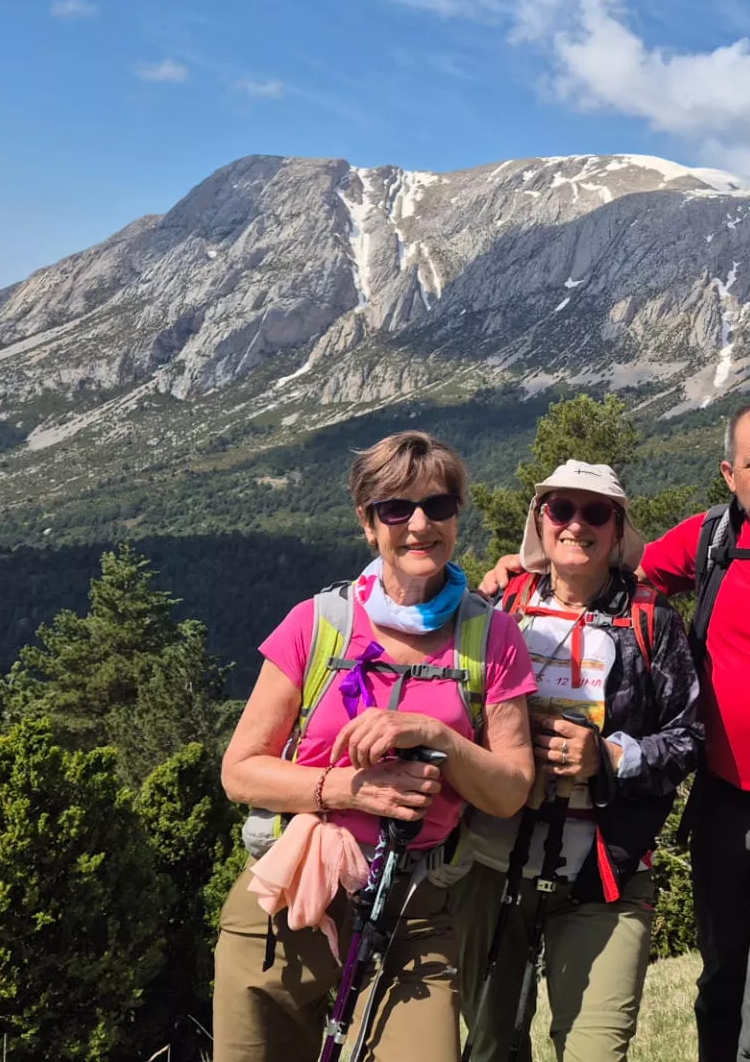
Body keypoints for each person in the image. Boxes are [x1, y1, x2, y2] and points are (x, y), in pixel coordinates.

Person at [484, 402, 750, 1062]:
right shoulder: (709, 539)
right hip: (721, 808)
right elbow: (608, 576)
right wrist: (525, 570)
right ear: (729, 473)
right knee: (719, 992)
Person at [214, 431, 537, 1062]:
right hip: (285, 904)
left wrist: (437, 736)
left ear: (456, 516)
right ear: (369, 524)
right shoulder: (316, 624)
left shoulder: (492, 636)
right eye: (396, 509)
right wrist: (347, 789)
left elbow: (510, 791)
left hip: (417, 911)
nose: (419, 525)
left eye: (438, 507)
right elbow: (239, 772)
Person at [451, 460, 701, 1062]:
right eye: (561, 510)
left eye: (595, 513)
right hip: (492, 861)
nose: (576, 526)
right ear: (540, 521)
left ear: (617, 530)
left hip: (606, 874)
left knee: (595, 1050)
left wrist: (609, 757)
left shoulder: (653, 621)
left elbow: (690, 736)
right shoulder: (494, 607)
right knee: (485, 1049)